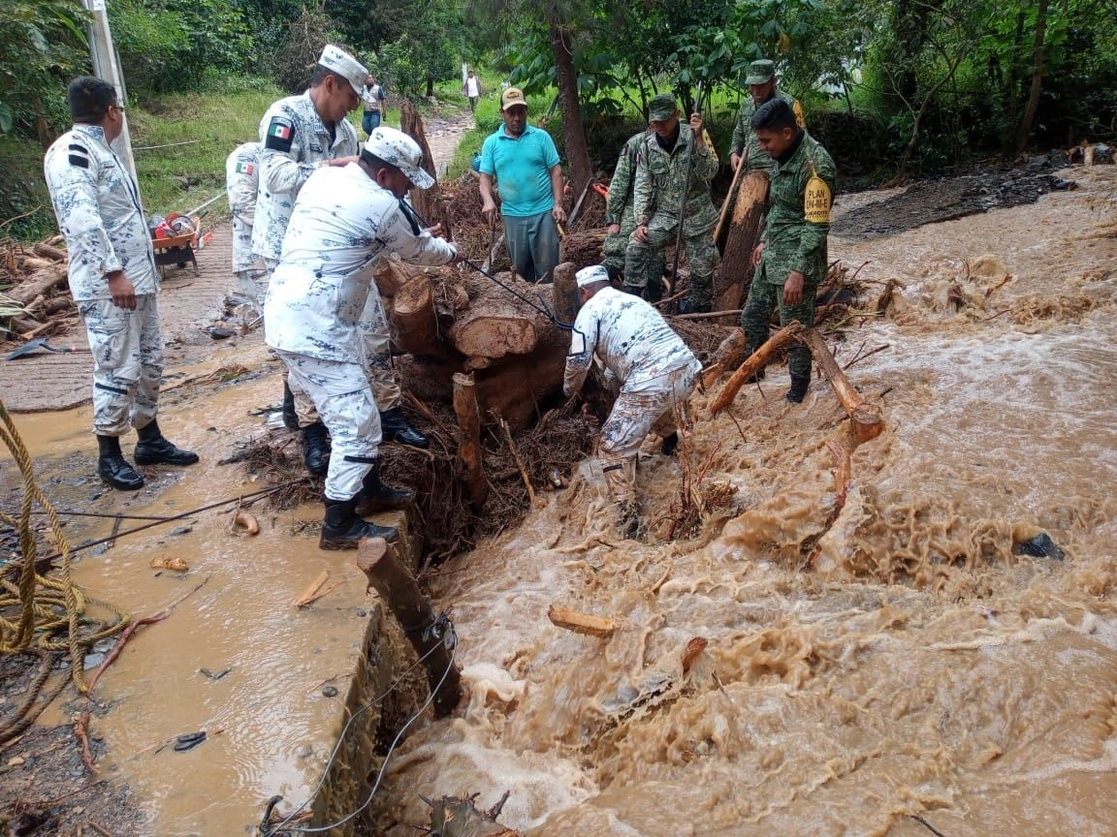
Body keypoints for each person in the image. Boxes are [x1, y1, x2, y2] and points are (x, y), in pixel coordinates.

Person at [265, 127, 460, 550]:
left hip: (302, 310)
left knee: (358, 405)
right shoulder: (381, 205)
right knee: (358, 424)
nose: (408, 190)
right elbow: (421, 251)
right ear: (386, 174)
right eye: (406, 181)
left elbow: (346, 167)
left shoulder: (328, 176)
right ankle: (339, 524)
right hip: (315, 325)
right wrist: (453, 252)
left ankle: (369, 490)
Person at [43, 76, 198, 491]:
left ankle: (149, 439)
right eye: (121, 110)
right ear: (112, 111)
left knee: (149, 361)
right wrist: (113, 272)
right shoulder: (72, 153)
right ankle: (108, 454)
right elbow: (81, 220)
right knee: (116, 366)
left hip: (137, 281)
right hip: (110, 285)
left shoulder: (101, 151)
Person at [563, 265, 701, 539]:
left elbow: (579, 360)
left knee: (611, 447)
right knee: (653, 406)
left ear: (584, 292)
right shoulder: (633, 302)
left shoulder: (589, 310)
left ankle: (628, 522)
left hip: (652, 379)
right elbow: (618, 366)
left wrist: (568, 389)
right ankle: (671, 445)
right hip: (687, 369)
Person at [740, 98, 836, 403]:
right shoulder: (779, 153)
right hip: (773, 254)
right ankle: (755, 373)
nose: (763, 147)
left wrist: (798, 272)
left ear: (786, 132)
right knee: (752, 316)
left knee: (795, 331)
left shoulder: (816, 167)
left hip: (797, 261)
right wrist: (765, 239)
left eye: (766, 140)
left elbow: (816, 227)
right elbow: (778, 206)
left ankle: (797, 393)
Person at [626, 93, 719, 312]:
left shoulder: (696, 135)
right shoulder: (647, 147)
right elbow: (642, 185)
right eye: (655, 122)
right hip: (667, 215)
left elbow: (711, 172)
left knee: (702, 267)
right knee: (637, 243)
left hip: (697, 214)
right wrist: (641, 221)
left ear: (676, 115)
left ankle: (700, 307)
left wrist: (697, 142)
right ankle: (637, 299)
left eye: (664, 120)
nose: (659, 126)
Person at [479, 87, 566, 283]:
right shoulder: (492, 143)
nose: (516, 117)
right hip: (512, 215)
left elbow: (556, 171)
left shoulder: (541, 137)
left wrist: (558, 204)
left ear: (526, 111)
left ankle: (548, 309)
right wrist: (488, 201)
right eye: (511, 112)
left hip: (543, 213)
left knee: (547, 270)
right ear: (502, 113)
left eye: (520, 111)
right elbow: (485, 178)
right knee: (520, 271)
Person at [601, 127, 663, 288]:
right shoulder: (636, 143)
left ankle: (651, 298)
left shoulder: (679, 141)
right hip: (632, 204)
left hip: (661, 209)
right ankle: (591, 286)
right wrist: (613, 219)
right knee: (619, 251)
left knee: (655, 256)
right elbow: (620, 182)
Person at [729, 59, 805, 175]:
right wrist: (734, 153)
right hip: (751, 172)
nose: (755, 91)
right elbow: (739, 133)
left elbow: (802, 142)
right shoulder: (746, 105)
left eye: (761, 86)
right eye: (752, 86)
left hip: (780, 172)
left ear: (773, 81)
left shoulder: (789, 104)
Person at [224, 141, 266, 310]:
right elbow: (241, 202)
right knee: (271, 311)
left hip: (280, 254)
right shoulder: (248, 156)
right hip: (257, 256)